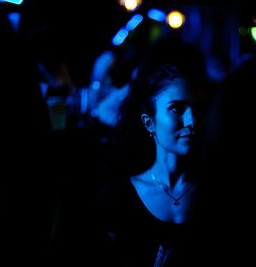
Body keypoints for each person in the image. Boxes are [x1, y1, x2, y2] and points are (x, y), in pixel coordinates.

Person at [89, 38, 211, 266]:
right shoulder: (118, 199)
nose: (191, 120)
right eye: (177, 108)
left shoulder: (218, 194)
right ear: (149, 123)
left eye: (198, 108)